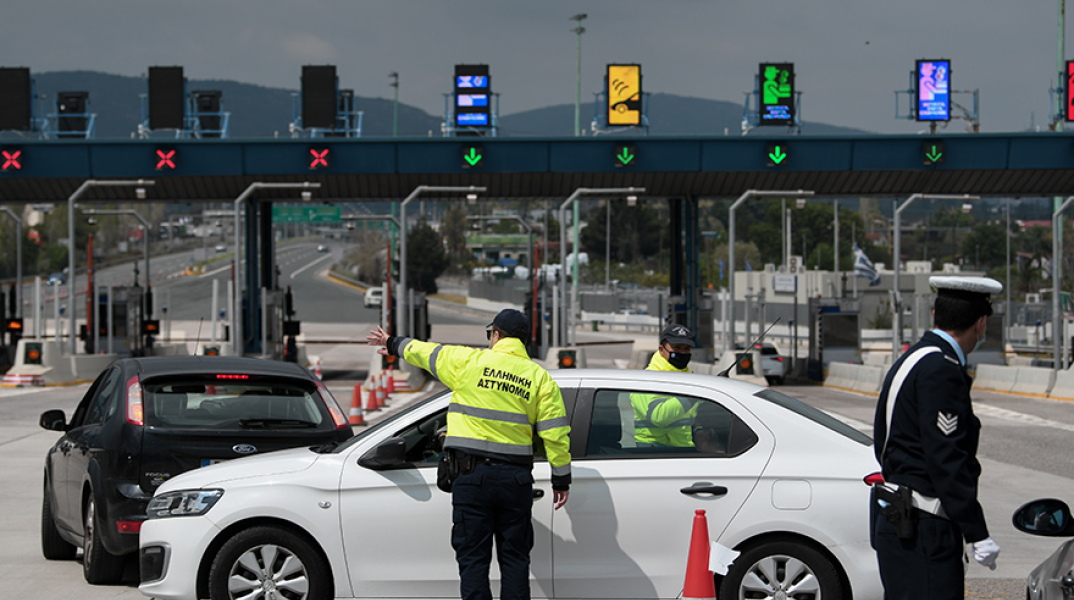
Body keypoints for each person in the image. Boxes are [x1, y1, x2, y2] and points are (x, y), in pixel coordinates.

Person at [366, 309, 570, 600]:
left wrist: (392, 342)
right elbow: (556, 433)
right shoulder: (539, 378)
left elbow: (427, 352)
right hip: (515, 480)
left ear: (497, 335)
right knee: (515, 560)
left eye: (490, 334)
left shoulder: (470, 362)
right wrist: (561, 479)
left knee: (473, 560)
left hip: (471, 477)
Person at [872, 276, 1002, 599]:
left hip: (900, 521)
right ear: (981, 323)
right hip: (925, 531)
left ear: (935, 315)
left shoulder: (913, 358)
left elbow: (883, 440)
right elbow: (947, 458)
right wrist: (977, 531)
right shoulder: (941, 369)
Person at [631, 324, 700, 448]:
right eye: (677, 348)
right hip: (655, 452)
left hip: (683, 450)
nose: (682, 353)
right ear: (661, 349)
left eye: (687, 349)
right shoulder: (645, 380)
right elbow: (658, 416)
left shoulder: (689, 378)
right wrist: (692, 395)